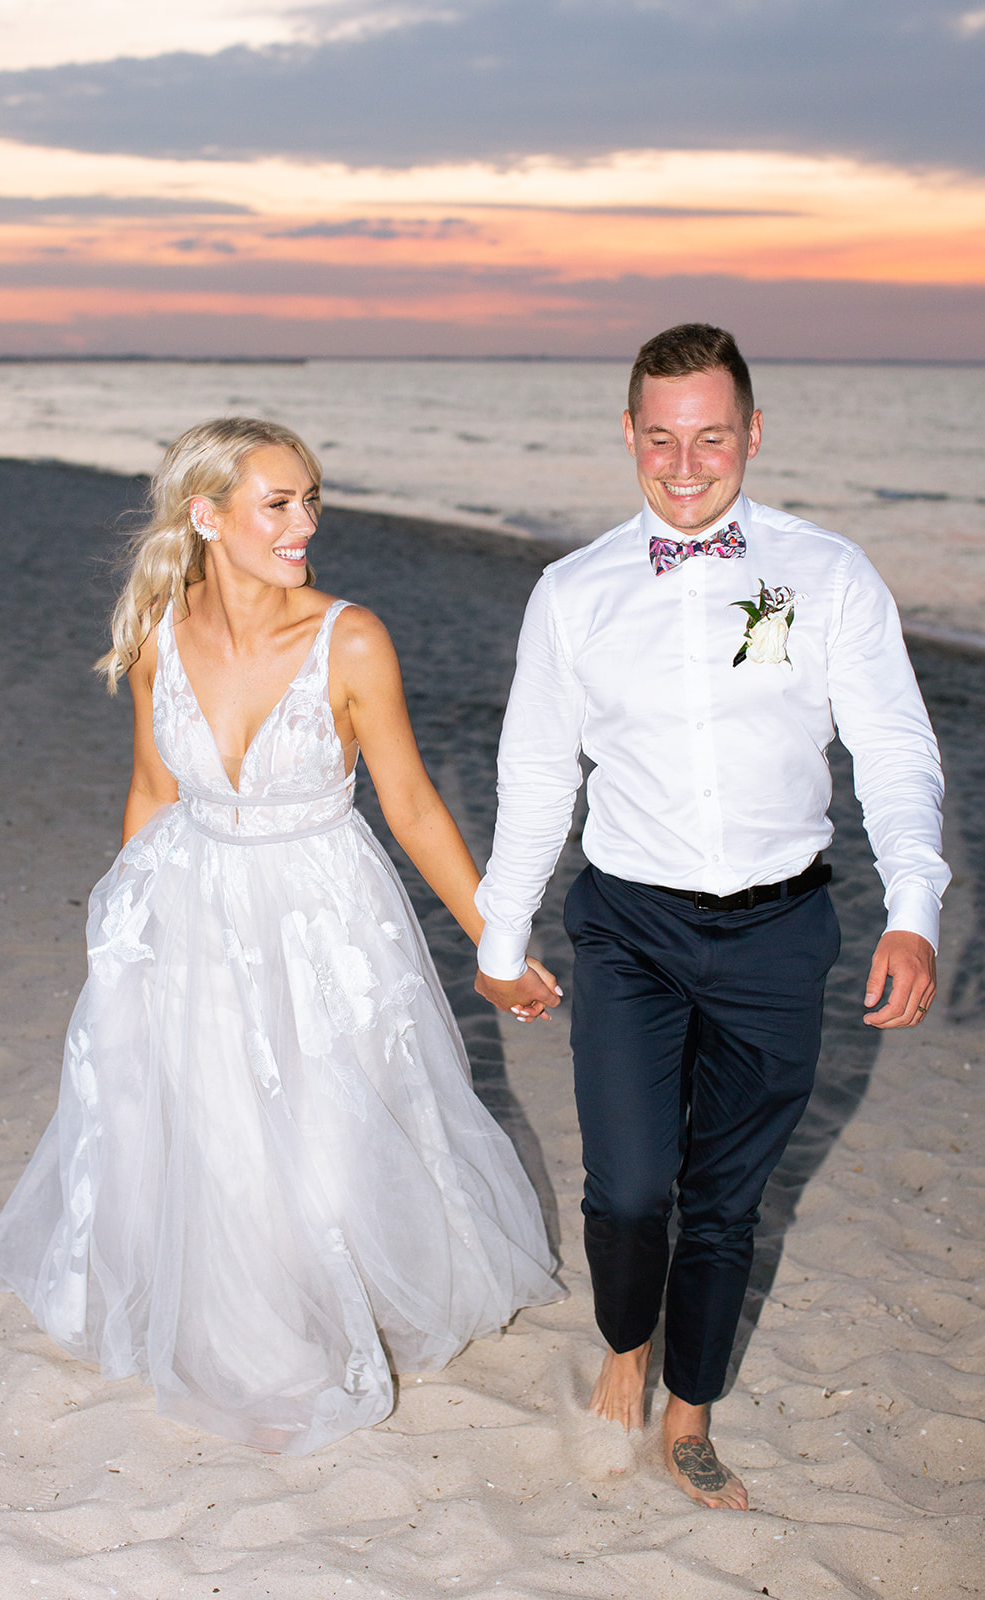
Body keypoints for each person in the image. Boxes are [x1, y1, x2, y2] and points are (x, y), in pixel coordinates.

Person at [0, 416, 560, 1455]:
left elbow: (415, 808)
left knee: (339, 1122)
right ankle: (254, 1332)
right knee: (219, 1127)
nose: (304, 523)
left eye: (310, 499)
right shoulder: (160, 628)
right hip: (193, 901)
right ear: (206, 517)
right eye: (277, 502)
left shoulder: (350, 636)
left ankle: (340, 1290)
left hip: (326, 913)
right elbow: (154, 787)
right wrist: (124, 924)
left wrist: (497, 944)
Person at [474, 324, 948, 1510]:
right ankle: (623, 1338)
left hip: (780, 933)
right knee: (631, 1188)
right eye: (661, 438)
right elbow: (536, 777)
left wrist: (915, 908)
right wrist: (497, 933)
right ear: (628, 436)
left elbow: (893, 747)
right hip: (629, 927)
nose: (686, 465)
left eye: (712, 437)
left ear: (750, 434)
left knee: (726, 1196)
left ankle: (687, 1411)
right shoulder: (571, 591)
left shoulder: (827, 573)